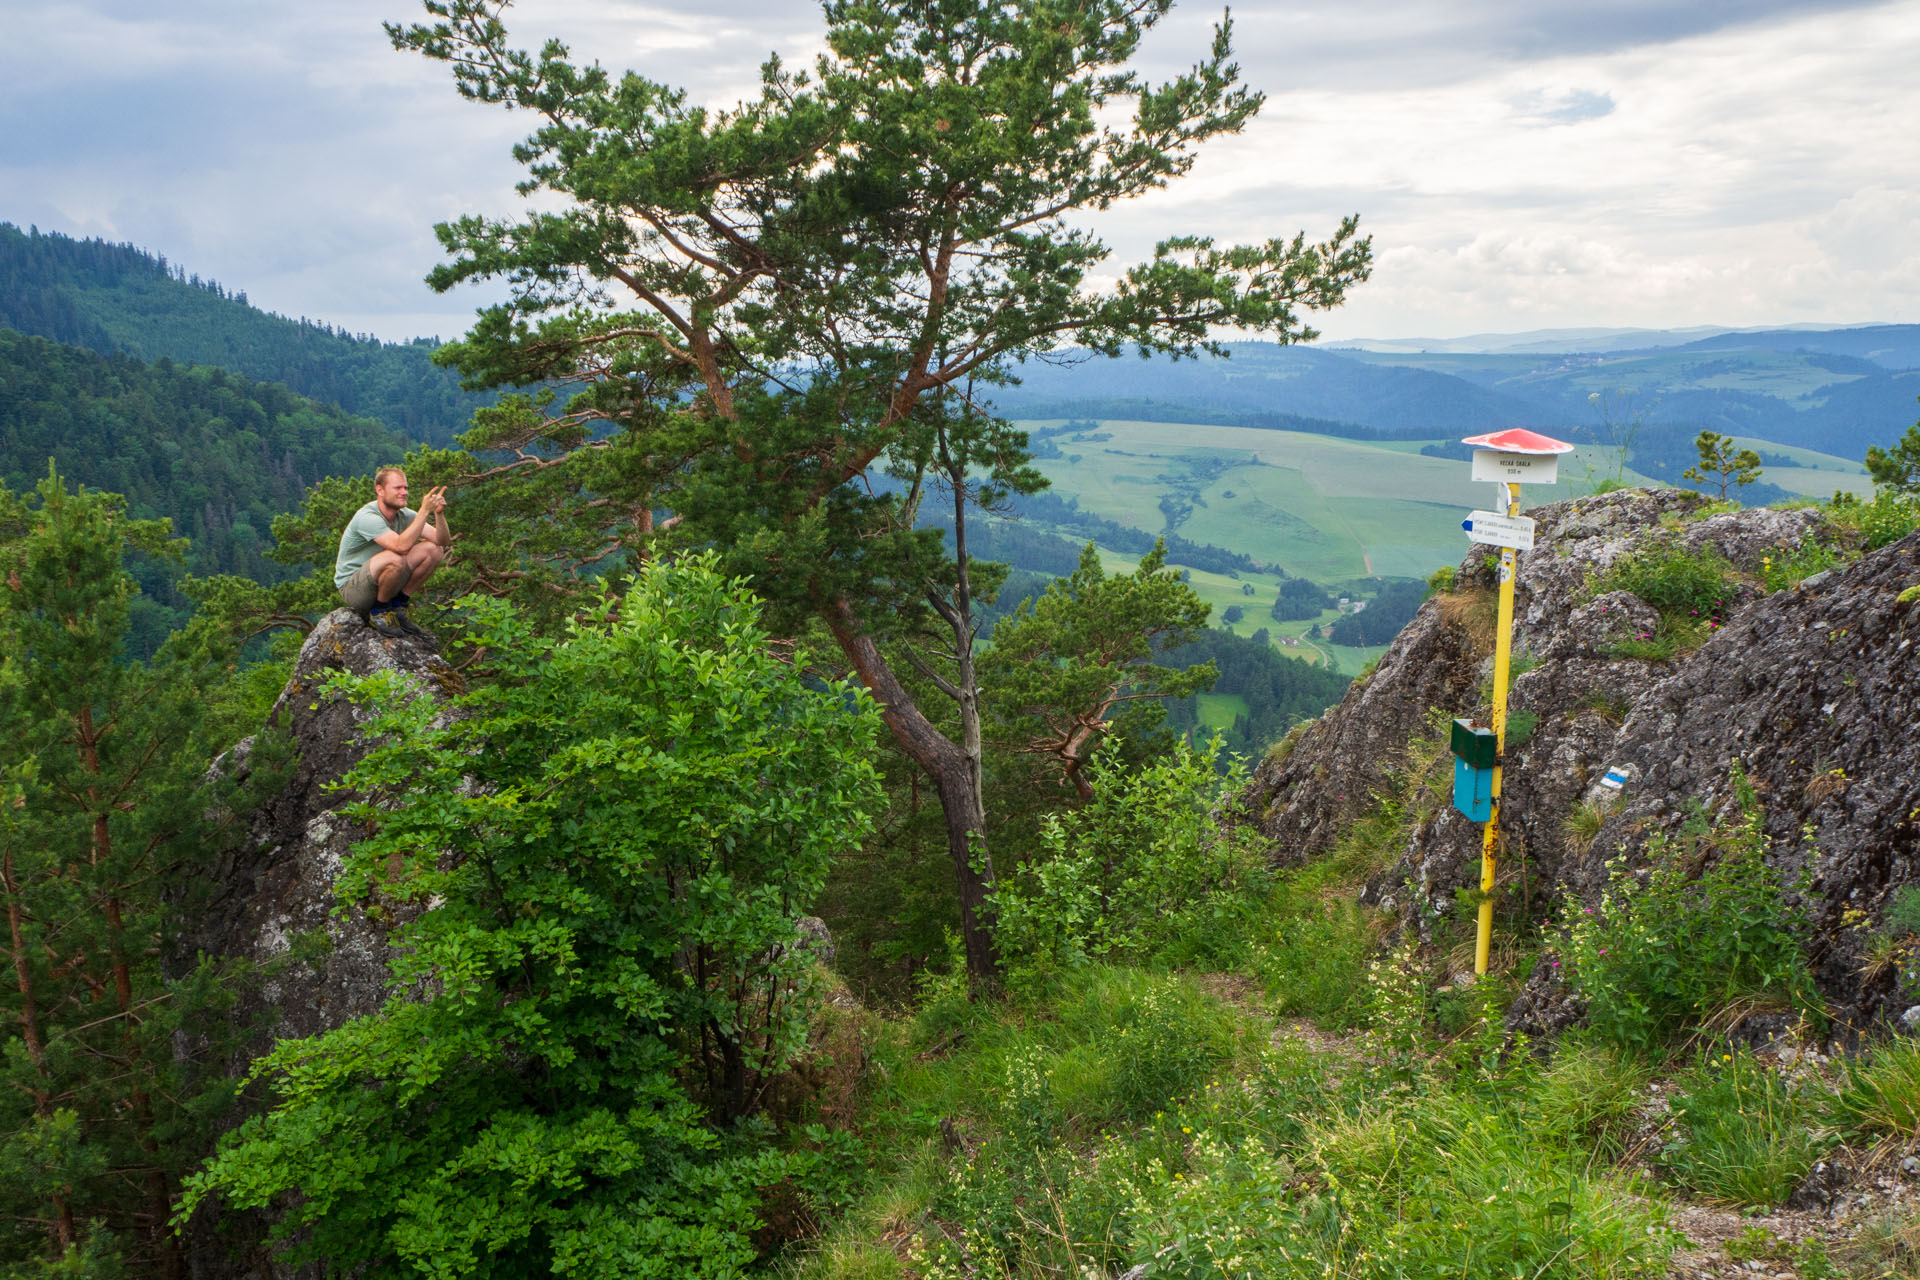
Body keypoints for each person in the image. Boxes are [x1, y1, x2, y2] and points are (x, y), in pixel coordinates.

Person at [333, 467, 449, 637]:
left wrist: (439, 514)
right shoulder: (368, 517)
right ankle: (380, 612)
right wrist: (424, 511)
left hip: (384, 578)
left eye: (406, 488)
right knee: (395, 556)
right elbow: (400, 547)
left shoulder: (404, 515)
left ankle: (399, 606)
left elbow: (443, 541)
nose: (404, 492)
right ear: (380, 490)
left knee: (434, 550)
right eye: (398, 488)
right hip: (353, 587)